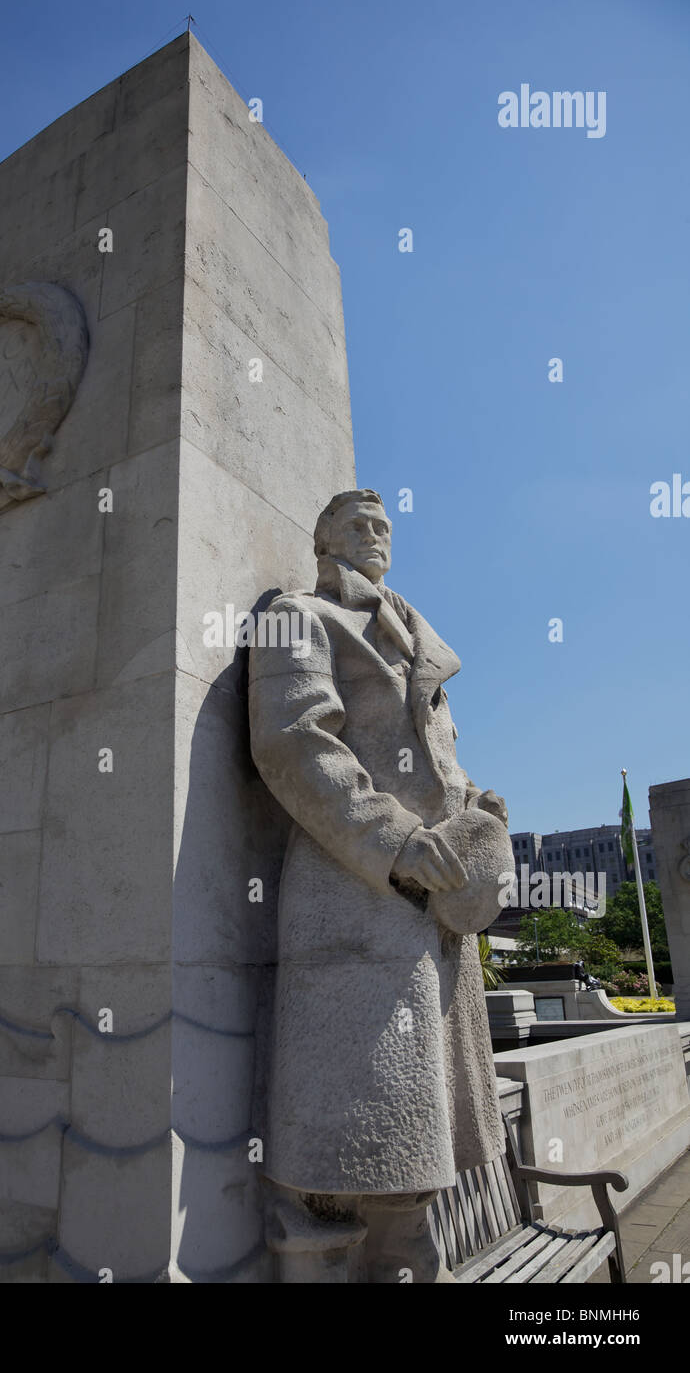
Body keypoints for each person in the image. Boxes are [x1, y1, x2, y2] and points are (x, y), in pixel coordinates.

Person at [248, 489, 509, 1282]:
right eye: (357, 525)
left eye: (383, 526)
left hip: (434, 914)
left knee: (418, 1163)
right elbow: (294, 744)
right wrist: (395, 839)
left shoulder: (411, 632)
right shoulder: (297, 616)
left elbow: (435, 760)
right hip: (352, 897)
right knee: (345, 1153)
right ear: (322, 536)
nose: (374, 536)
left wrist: (476, 813)